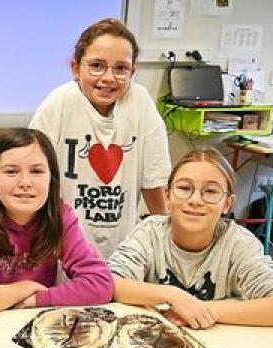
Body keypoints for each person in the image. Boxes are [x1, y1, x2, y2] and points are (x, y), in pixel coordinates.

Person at [109, 147, 273, 329]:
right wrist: (173, 296)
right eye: (184, 188)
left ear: (227, 203)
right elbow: (110, 283)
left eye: (210, 191)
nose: (195, 200)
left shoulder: (238, 243)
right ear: (167, 197)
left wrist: (203, 310)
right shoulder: (149, 233)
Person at [30, 18, 171, 259]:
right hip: (62, 243)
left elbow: (153, 181)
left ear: (132, 72)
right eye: (96, 65)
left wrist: (167, 244)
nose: (108, 77)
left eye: (121, 68)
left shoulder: (140, 103)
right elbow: (32, 172)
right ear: (76, 68)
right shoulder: (59, 103)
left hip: (122, 243)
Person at [0, 128, 113, 318]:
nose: (25, 182)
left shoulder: (60, 216)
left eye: (36, 171)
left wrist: (39, 299)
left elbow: (101, 283)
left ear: (51, 179)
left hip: (35, 321)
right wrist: (26, 288)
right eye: (11, 171)